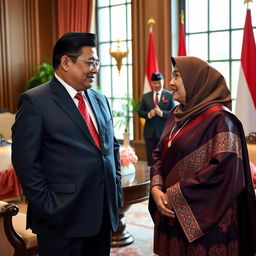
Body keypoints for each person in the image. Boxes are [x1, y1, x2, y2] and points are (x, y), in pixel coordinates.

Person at [11, 32, 123, 256]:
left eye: (97, 62)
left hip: (101, 215)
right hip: (61, 220)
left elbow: (112, 149)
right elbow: (25, 162)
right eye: (90, 62)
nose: (95, 68)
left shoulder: (99, 99)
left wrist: (115, 191)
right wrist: (48, 206)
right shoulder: (36, 101)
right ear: (65, 62)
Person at [149, 56, 256, 256]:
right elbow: (159, 151)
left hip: (209, 220)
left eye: (177, 76)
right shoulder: (175, 114)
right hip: (171, 213)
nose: (171, 83)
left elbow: (224, 171)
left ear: (195, 80)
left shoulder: (220, 119)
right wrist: (155, 187)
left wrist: (174, 195)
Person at [139, 72, 175, 166]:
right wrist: (149, 114)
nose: (157, 85)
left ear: (163, 81)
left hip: (164, 133)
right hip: (149, 133)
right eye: (154, 83)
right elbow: (140, 112)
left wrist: (161, 113)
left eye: (159, 82)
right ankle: (152, 178)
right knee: (151, 161)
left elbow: (174, 113)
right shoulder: (145, 96)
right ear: (151, 83)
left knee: (163, 159)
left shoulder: (169, 95)